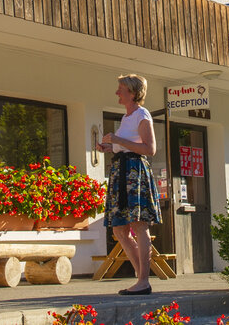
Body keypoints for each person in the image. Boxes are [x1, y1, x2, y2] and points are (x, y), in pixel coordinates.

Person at [99, 73, 162, 295]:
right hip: (122, 171)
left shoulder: (142, 114)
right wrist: (110, 148)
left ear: (133, 93)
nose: (117, 92)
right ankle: (141, 278)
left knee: (138, 225)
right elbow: (128, 145)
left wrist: (117, 141)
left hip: (135, 172)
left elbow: (149, 149)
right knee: (119, 229)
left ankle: (143, 280)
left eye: (121, 89)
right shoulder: (127, 118)